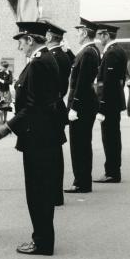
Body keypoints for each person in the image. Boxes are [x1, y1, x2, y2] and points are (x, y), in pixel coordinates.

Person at [0, 21, 66, 256]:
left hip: (38, 138)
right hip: (45, 136)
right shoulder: (46, 59)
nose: (19, 47)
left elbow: (34, 105)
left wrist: (8, 127)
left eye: (21, 42)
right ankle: (43, 239)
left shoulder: (38, 64)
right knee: (41, 191)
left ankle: (42, 242)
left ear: (30, 40)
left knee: (37, 192)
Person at [64, 18, 100, 193]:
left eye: (79, 31)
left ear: (85, 33)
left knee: (79, 145)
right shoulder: (89, 51)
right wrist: (69, 51)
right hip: (86, 103)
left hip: (82, 105)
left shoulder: (87, 52)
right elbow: (79, 69)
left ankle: (81, 182)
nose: (77, 34)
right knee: (82, 144)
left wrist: (74, 106)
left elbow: (82, 82)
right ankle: (83, 181)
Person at [41, 19, 72, 206]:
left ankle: (53, 194)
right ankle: (55, 194)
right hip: (57, 106)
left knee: (51, 155)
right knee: (55, 153)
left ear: (49, 37)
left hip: (52, 108)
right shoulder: (62, 54)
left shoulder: (54, 56)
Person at [93, 23, 128, 183]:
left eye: (99, 34)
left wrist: (102, 105)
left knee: (110, 138)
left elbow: (108, 82)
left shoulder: (112, 53)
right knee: (113, 137)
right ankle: (113, 171)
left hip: (110, 104)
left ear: (106, 35)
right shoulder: (117, 51)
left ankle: (112, 172)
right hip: (114, 102)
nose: (98, 38)